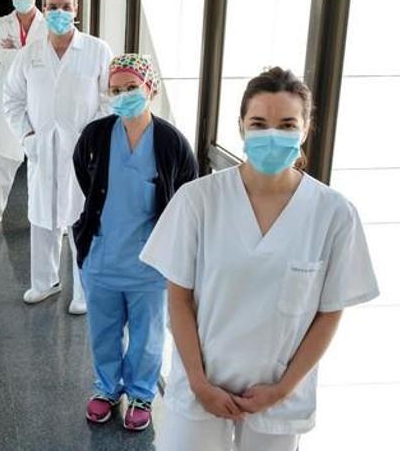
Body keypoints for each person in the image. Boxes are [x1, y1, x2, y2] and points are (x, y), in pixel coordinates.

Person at [140, 67, 380, 450]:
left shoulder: (333, 213)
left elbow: (330, 311)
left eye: (286, 125)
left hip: (279, 397)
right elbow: (179, 299)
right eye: (259, 123)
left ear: (305, 130)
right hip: (202, 384)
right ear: (241, 126)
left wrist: (282, 389)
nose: (272, 134)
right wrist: (201, 384)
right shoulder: (198, 200)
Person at [73, 54, 197, 430]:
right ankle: (107, 389)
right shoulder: (95, 135)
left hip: (150, 263)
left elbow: (186, 194)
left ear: (150, 90)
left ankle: (141, 392)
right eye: (116, 90)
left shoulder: (171, 142)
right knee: (103, 329)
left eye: (131, 88)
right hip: (102, 254)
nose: (123, 95)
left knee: (147, 333)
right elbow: (86, 178)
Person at [3, 0, 112, 314]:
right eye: (53, 7)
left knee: (82, 218)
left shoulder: (97, 50)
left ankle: (84, 288)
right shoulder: (29, 54)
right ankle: (44, 282)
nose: (59, 13)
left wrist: (91, 139)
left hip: (84, 152)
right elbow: (12, 100)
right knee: (42, 215)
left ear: (76, 10)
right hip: (42, 149)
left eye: (66, 6)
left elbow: (109, 98)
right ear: (44, 9)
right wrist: (28, 137)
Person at [0, 0, 47, 232]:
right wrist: (34, 54)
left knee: (44, 159)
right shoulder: (0, 24)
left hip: (41, 98)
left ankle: (45, 215)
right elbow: (3, 56)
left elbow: (50, 57)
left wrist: (18, 51)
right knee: (4, 157)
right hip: (11, 96)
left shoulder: (49, 23)